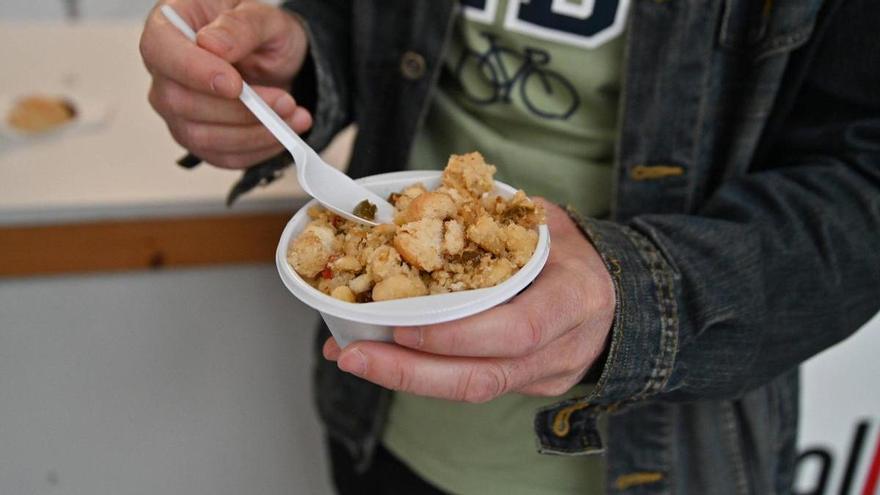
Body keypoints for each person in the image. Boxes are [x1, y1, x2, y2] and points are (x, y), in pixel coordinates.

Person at [139, 0, 880, 493]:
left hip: (678, 450)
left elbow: (863, 182)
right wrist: (301, 65)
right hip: (383, 422)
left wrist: (637, 293)